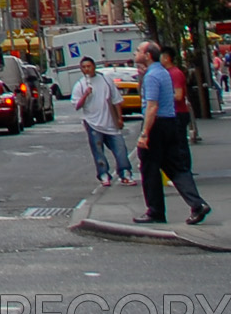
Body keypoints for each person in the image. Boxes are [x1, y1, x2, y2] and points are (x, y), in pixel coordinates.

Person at [132, 39, 212, 226]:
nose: (135, 54)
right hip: (170, 123)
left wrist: (144, 134)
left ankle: (155, 211)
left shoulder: (152, 76)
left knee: (150, 168)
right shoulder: (163, 73)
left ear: (148, 55)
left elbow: (152, 106)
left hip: (156, 125)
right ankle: (197, 204)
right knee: (176, 167)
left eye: (138, 51)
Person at [72, 57, 132, 187]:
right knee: (98, 150)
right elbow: (77, 105)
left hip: (110, 122)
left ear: (94, 67)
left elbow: (116, 100)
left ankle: (125, 172)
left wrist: (119, 118)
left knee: (120, 148)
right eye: (84, 67)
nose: (87, 69)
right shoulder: (80, 85)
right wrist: (85, 95)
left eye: (89, 66)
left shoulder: (105, 80)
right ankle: (104, 174)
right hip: (93, 123)